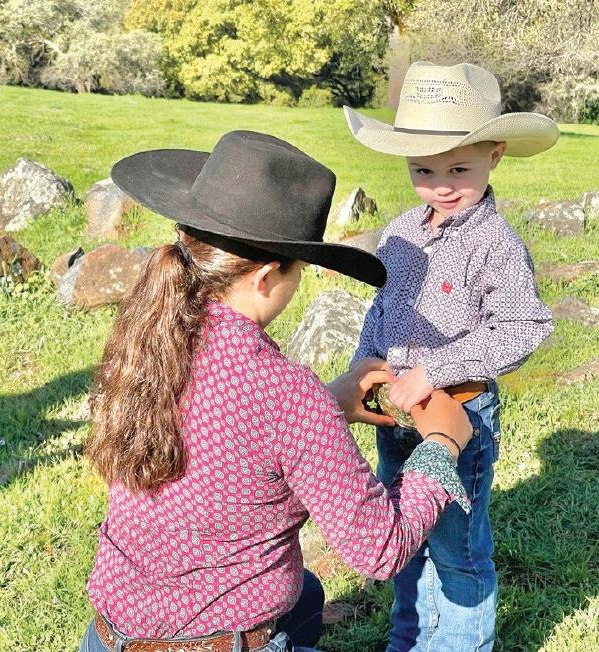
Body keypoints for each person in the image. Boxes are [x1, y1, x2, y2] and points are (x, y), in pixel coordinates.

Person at [80, 130, 477, 652]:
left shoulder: (148, 342)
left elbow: (224, 431)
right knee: (303, 594)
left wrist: (327, 405)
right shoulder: (285, 395)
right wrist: (441, 446)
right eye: (300, 268)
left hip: (110, 633)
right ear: (267, 277)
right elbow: (379, 549)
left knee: (306, 593)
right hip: (218, 641)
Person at [344, 62, 559, 651]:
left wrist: (433, 371)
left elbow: (523, 327)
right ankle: (409, 639)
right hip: (396, 417)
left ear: (495, 155)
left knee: (457, 550)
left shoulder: (496, 245)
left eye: (459, 169)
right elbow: (384, 306)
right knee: (406, 535)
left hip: (459, 417)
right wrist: (366, 366)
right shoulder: (401, 233)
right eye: (423, 170)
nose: (441, 185)